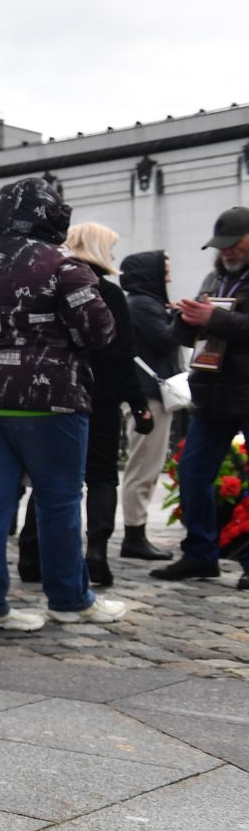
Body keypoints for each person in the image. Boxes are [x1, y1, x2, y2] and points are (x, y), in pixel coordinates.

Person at [0, 178, 121, 632]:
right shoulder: (62, 264)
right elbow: (99, 332)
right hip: (46, 398)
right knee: (59, 498)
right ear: (51, 213)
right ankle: (69, 600)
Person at [153, 207, 249, 589]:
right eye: (222, 246)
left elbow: (226, 324)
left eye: (234, 244)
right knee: (193, 472)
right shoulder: (216, 278)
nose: (227, 252)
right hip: (213, 392)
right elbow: (184, 335)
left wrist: (212, 318)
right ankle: (200, 554)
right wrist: (185, 318)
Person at [54, 222, 151, 586]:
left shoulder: (54, 285)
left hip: (60, 392)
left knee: (54, 476)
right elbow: (123, 355)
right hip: (102, 397)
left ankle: (32, 553)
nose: (113, 256)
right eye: (109, 248)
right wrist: (138, 403)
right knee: (100, 476)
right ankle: (96, 552)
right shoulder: (109, 294)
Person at [118, 250, 177, 561]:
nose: (168, 276)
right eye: (164, 271)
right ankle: (134, 534)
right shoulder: (143, 305)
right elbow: (165, 341)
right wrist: (181, 318)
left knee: (147, 464)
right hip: (148, 395)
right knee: (144, 465)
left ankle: (136, 532)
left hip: (149, 392)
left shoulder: (144, 303)